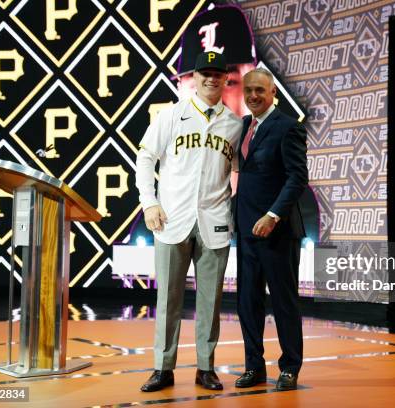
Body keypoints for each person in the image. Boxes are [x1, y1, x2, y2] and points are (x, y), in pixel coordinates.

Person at [135, 51, 242, 392]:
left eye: (217, 73)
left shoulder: (235, 123)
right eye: (204, 73)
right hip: (172, 218)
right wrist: (149, 202)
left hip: (214, 219)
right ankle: (162, 367)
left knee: (210, 301)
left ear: (226, 78)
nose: (211, 78)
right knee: (168, 299)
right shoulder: (171, 115)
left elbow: (240, 169)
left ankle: (205, 367)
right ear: (193, 77)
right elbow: (145, 158)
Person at [234, 68, 308, 391]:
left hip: (277, 232)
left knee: (283, 303)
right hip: (247, 232)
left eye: (259, 91)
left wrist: (273, 214)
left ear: (273, 92)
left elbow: (297, 177)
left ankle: (290, 367)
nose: (253, 96)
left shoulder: (288, 127)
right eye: (248, 90)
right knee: (248, 303)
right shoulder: (244, 127)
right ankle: (254, 367)